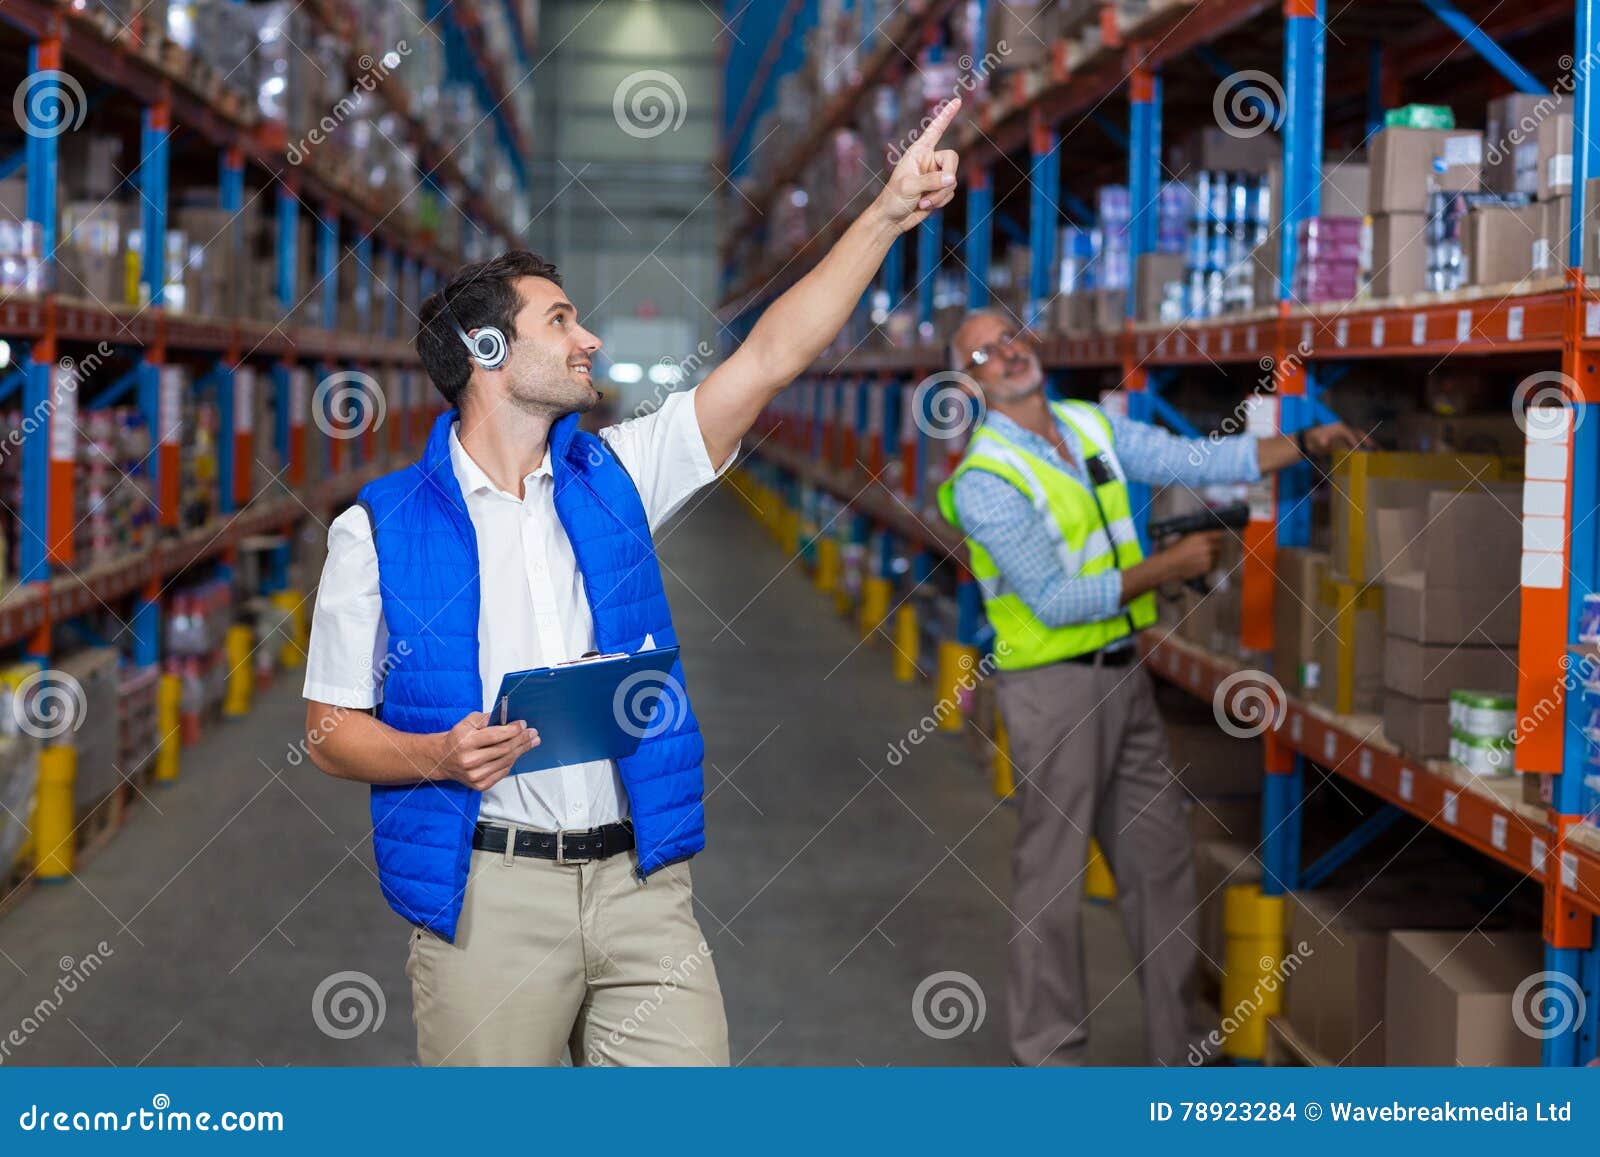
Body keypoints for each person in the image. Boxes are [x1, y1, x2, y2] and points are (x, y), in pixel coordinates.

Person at [300, 99, 966, 1066]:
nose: (589, 341)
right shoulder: (377, 530)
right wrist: (438, 757)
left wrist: (887, 214)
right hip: (489, 899)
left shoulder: (615, 476)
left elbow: (771, 357)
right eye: (561, 320)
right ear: (488, 353)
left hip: (641, 887)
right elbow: (325, 730)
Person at [937, 313, 1358, 1067]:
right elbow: (1056, 599)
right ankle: (1052, 1059)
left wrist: (1301, 442)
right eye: (983, 353)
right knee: (1051, 885)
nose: (1006, 354)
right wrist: (1165, 569)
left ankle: (1181, 1051)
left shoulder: (1089, 425)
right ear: (969, 384)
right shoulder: (984, 480)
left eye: (1011, 337)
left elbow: (1194, 456)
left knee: (1159, 866)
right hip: (1051, 693)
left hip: (1125, 679)